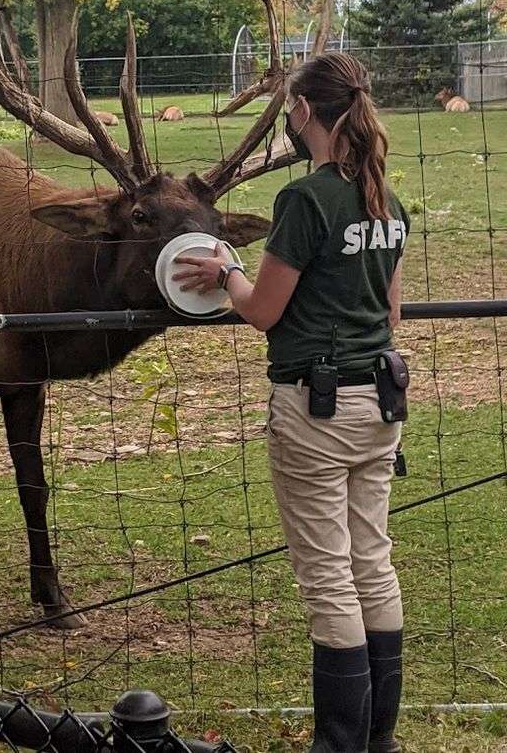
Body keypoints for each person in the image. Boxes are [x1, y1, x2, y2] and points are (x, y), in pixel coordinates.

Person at [174, 52, 409, 753]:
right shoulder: (386, 201)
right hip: (380, 405)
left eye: (287, 106)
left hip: (317, 410)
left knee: (330, 578)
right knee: (372, 563)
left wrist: (228, 270)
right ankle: (376, 739)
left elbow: (262, 311)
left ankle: (338, 743)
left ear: (303, 111)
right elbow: (391, 314)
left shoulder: (305, 200)